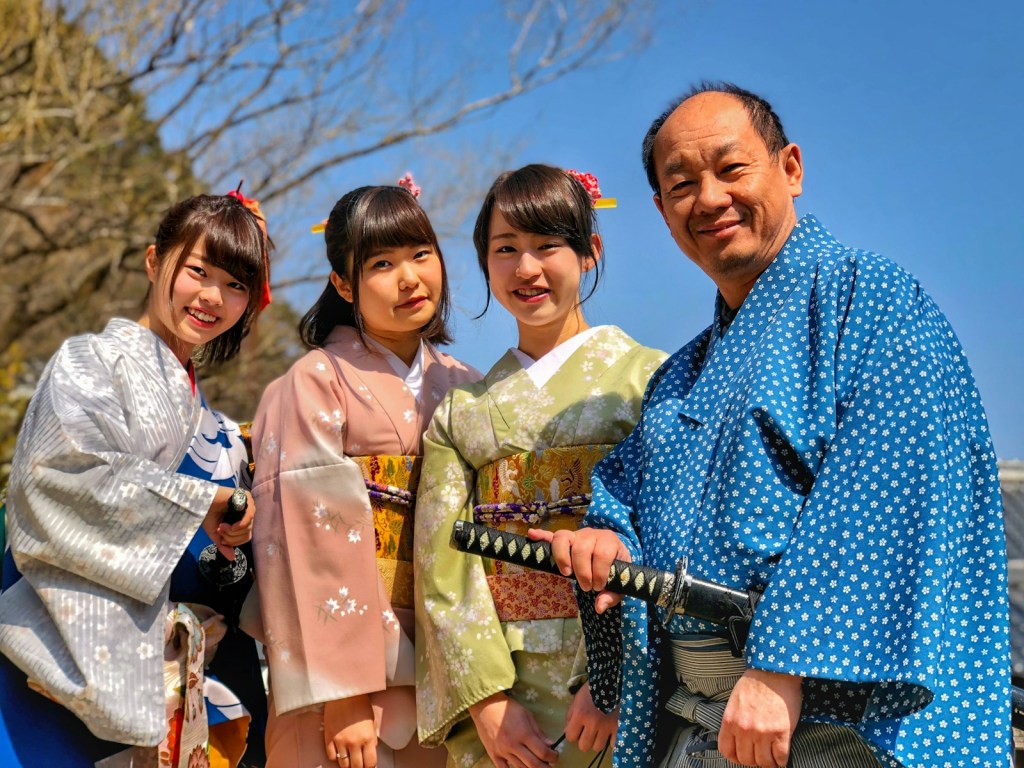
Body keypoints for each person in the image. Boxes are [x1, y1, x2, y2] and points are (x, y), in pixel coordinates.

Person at [543, 82, 1010, 768]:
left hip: (827, 716)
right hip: (696, 718)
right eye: (682, 184)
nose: (708, 198)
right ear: (662, 211)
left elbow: (881, 493)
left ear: (790, 168)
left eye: (731, 169)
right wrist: (606, 537)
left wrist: (782, 665)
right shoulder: (681, 374)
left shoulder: (871, 300)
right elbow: (623, 494)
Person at [0, 192, 271, 766]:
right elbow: (58, 477)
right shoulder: (90, 362)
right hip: (72, 652)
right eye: (197, 270)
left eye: (236, 284)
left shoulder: (220, 427)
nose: (212, 297)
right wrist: (198, 502)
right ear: (154, 261)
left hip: (178, 677)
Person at [414, 164, 667, 768]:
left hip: (618, 686)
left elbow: (668, 536)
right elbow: (440, 565)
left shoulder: (647, 380)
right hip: (504, 706)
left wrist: (612, 681)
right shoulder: (461, 413)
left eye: (547, 245)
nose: (526, 269)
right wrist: (486, 701)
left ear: (589, 251)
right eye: (506, 250)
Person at [248, 181, 479, 768]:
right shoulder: (311, 382)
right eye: (382, 263)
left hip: (448, 676)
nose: (410, 278)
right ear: (344, 284)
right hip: (344, 691)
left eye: (421, 255)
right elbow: (303, 537)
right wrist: (344, 689)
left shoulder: (466, 385)